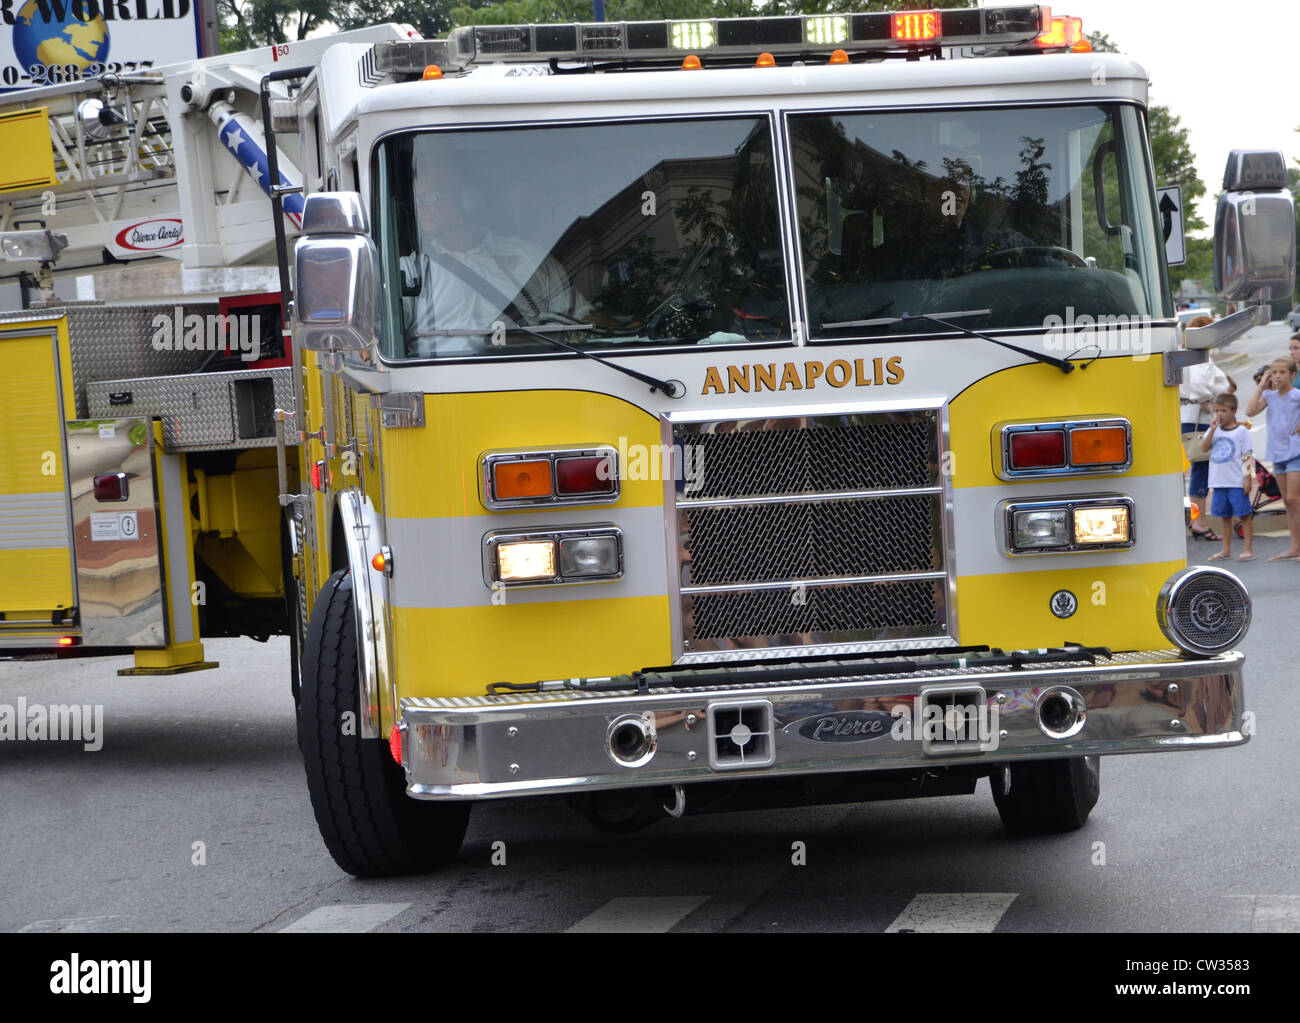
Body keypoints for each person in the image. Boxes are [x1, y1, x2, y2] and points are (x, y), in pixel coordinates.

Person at [400, 151, 590, 357]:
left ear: (465, 196)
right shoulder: (409, 272)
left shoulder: (529, 255)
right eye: (417, 200)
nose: (422, 208)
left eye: (431, 197)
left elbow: (578, 319)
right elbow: (379, 338)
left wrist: (535, 342)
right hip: (445, 377)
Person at [1244, 356, 1300, 559]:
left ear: (1292, 375)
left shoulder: (1296, 395)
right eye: (1274, 372)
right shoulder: (1269, 396)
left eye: (1282, 372)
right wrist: (1261, 386)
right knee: (1287, 501)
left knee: (1294, 498)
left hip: (1295, 452)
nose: (1277, 376)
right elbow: (1250, 411)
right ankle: (1295, 546)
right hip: (1277, 453)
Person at [1180, 315, 1226, 540]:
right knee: (1202, 469)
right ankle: (1200, 521)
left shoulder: (1186, 354)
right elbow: (1200, 386)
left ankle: (1197, 519)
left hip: (1188, 416)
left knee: (1197, 468)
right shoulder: (1200, 357)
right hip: (1200, 417)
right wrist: (1208, 401)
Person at [1201, 392, 1255, 561]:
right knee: (1225, 516)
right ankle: (1226, 549)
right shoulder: (1214, 429)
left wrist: (1247, 478)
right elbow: (1204, 448)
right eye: (1217, 411)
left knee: (1244, 515)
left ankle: (1248, 549)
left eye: (1224, 410)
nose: (1220, 414)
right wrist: (1212, 430)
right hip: (1219, 481)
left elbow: (1247, 455)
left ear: (1233, 411)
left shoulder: (1241, 431)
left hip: (1236, 481)